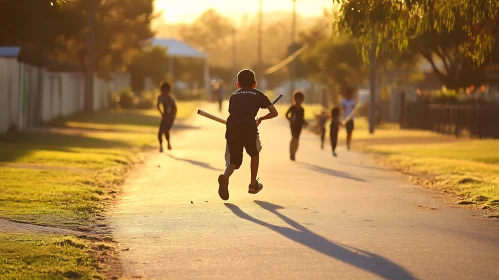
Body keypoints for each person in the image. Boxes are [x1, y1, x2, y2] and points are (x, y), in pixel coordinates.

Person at [217, 69, 278, 201]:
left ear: (237, 85)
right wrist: (260, 119)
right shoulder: (258, 94)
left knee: (234, 160)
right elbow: (274, 112)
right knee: (254, 153)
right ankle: (252, 184)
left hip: (232, 127)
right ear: (254, 84)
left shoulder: (234, 95)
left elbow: (234, 112)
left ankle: (225, 177)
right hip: (249, 127)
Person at [285, 91, 308, 161]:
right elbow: (286, 115)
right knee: (294, 138)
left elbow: (302, 118)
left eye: (300, 100)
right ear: (294, 99)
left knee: (297, 139)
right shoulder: (292, 107)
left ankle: (294, 152)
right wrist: (290, 119)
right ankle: (291, 152)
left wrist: (305, 123)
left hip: (299, 126)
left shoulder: (302, 109)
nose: (299, 101)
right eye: (297, 99)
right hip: (293, 125)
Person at [156, 81, 177, 153]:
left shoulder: (171, 99)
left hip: (170, 117)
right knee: (160, 132)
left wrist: (173, 117)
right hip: (164, 115)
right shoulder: (160, 97)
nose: (164, 93)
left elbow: (175, 109)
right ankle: (161, 145)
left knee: (166, 131)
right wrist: (162, 114)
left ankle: (168, 143)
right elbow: (158, 106)